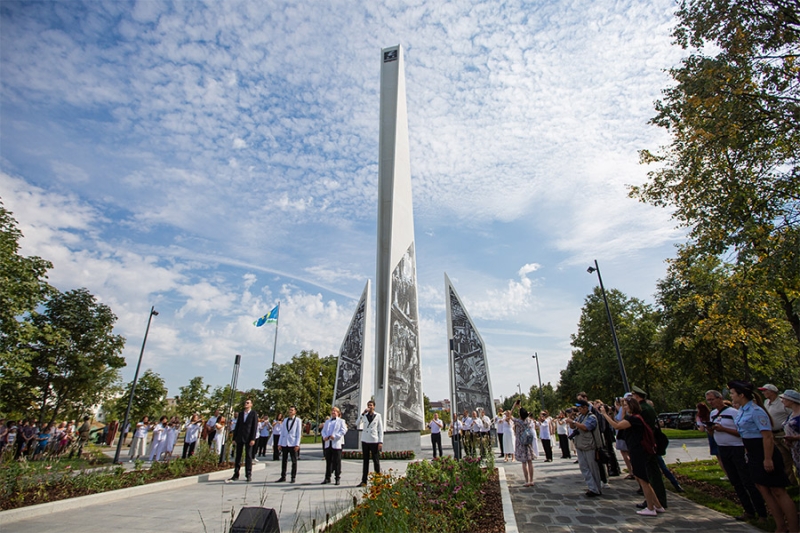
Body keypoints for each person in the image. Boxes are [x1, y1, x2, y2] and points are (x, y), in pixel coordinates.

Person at [729, 380, 798, 533]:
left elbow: (767, 436)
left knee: (778, 490)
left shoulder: (756, 411)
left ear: (741, 395)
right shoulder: (742, 411)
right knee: (764, 489)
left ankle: (794, 528)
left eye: (733, 393)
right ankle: (780, 526)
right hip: (753, 454)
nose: (731, 396)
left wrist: (767, 458)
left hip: (765, 452)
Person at [703, 389, 767, 522]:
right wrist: (710, 429)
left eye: (712, 399)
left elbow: (741, 432)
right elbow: (713, 434)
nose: (710, 402)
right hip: (723, 448)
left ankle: (761, 512)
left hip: (737, 448)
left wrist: (724, 429)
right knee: (735, 481)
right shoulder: (713, 414)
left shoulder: (733, 412)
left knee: (747, 480)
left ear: (720, 398)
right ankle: (748, 510)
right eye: (708, 400)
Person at [598, 399, 664, 516]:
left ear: (631, 406)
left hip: (638, 451)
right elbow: (620, 422)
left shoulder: (634, 419)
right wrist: (611, 415)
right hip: (638, 450)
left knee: (643, 480)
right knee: (643, 479)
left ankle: (650, 508)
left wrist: (604, 414)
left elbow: (617, 426)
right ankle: (657, 505)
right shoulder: (635, 418)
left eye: (625, 405)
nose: (623, 407)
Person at [630, 386, 668, 509]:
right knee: (653, 472)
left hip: (646, 444)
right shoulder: (648, 407)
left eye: (633, 396)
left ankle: (654, 501)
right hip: (651, 443)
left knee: (649, 474)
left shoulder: (643, 409)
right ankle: (657, 500)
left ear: (637, 396)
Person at [759, 383, 797, 485]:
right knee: (784, 459)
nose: (763, 393)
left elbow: (793, 414)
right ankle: (791, 482)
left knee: (795, 455)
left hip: (785, 433)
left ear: (772, 392)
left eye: (765, 390)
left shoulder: (782, 402)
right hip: (773, 434)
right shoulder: (766, 402)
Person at [569, 399, 602, 497]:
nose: (579, 410)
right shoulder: (580, 417)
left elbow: (585, 427)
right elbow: (573, 427)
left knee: (593, 468)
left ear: (585, 408)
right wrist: (571, 420)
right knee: (584, 467)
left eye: (580, 408)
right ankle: (591, 487)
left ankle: (596, 489)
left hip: (589, 445)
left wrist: (573, 422)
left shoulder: (591, 417)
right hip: (580, 445)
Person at [228, 398, 259, 483]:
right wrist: (234, 438)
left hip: (249, 438)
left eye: (248, 403)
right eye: (245, 402)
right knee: (238, 456)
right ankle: (236, 474)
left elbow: (254, 427)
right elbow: (237, 426)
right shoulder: (241, 414)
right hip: (240, 437)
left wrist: (253, 438)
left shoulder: (253, 414)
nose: (246, 404)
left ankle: (248, 474)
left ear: (251, 404)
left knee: (248, 456)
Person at [356, 400, 383, 487]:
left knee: (376, 461)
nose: (369, 407)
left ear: (374, 406)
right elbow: (357, 423)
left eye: (371, 405)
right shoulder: (364, 415)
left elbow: (380, 430)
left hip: (374, 440)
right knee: (365, 461)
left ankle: (378, 480)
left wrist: (380, 441)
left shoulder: (378, 416)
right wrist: (362, 414)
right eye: (368, 405)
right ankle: (364, 481)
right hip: (365, 440)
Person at [511, 400, 538, 487]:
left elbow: (510, 415)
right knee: (530, 462)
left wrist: (514, 406)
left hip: (521, 443)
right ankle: (531, 480)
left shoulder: (518, 422)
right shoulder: (528, 420)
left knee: (524, 463)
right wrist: (520, 407)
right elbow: (525, 414)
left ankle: (526, 481)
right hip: (528, 443)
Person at [321, 406, 347, 485]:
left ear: (338, 413)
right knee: (328, 461)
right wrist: (324, 436)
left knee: (337, 461)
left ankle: (337, 477)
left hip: (336, 443)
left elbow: (344, 430)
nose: (333, 412)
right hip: (328, 443)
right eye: (332, 411)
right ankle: (327, 477)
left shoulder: (341, 421)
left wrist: (335, 436)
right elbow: (323, 431)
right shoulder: (327, 422)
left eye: (335, 411)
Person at [277, 406, 302, 483]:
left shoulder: (298, 420)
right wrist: (280, 443)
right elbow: (282, 432)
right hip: (285, 443)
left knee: (294, 461)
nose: (290, 411)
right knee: (284, 460)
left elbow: (298, 433)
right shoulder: (285, 420)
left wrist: (297, 444)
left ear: (295, 411)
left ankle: (293, 477)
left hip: (293, 443)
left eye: (292, 410)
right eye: (290, 410)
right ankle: (283, 476)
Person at [779, 389, 800, 475]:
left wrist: (795, 438)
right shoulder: (791, 414)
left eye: (784, 399)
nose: (782, 401)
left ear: (791, 400)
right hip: (795, 449)